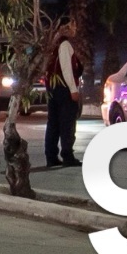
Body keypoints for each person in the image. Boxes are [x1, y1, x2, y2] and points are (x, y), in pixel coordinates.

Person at [44, 17, 81, 168]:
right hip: (63, 89)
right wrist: (73, 89)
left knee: (53, 123)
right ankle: (67, 155)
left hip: (52, 88)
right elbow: (67, 69)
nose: (75, 29)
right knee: (67, 123)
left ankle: (51, 156)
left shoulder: (52, 44)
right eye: (73, 25)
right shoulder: (64, 44)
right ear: (66, 27)